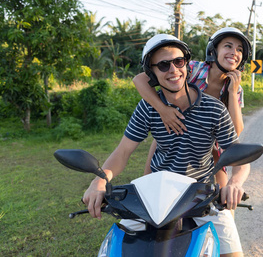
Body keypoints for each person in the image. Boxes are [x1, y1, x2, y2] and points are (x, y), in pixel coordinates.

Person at [82, 34, 249, 256]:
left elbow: (237, 155)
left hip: (200, 195)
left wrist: (235, 182)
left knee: (233, 253)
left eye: (178, 62)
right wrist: (99, 181)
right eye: (163, 65)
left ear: (187, 65)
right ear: (152, 73)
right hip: (155, 195)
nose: (173, 70)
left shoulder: (215, 109)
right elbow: (122, 152)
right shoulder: (148, 108)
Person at [133, 27, 251, 189]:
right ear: (213, 50)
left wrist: (231, 92)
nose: (234, 52)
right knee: (149, 183)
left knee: (224, 198)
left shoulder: (236, 89)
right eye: (228, 46)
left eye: (239, 50)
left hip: (210, 145)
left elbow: (235, 131)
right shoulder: (192, 69)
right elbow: (139, 79)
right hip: (174, 129)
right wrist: (163, 109)